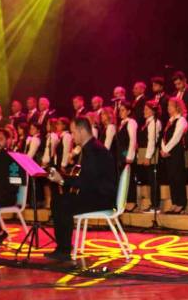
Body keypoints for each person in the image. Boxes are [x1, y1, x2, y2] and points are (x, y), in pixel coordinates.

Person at [46, 117, 117, 262]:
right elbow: (87, 179)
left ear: (82, 130)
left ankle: (64, 249)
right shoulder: (92, 147)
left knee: (62, 203)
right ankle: (63, 247)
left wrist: (62, 180)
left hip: (101, 199)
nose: (72, 136)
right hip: (99, 195)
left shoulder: (93, 150)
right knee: (60, 201)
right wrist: (63, 178)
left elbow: (86, 182)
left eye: (73, 132)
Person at [160, 97, 188, 214]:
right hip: (167, 152)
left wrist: (166, 149)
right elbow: (164, 136)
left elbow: (176, 137)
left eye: (170, 106)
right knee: (171, 178)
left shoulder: (181, 120)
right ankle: (174, 202)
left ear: (177, 107)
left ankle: (181, 203)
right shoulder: (170, 120)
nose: (168, 108)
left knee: (178, 177)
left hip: (176, 152)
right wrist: (162, 148)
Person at [138, 100, 162, 213]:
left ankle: (156, 205)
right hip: (146, 153)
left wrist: (147, 157)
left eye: (147, 109)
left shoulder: (154, 122)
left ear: (153, 111)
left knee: (154, 180)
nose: (144, 111)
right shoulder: (148, 122)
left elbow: (152, 141)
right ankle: (153, 203)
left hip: (152, 155)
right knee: (150, 180)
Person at [116, 101, 138, 211]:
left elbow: (132, 140)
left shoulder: (131, 122)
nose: (120, 112)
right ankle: (124, 200)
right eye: (120, 110)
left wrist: (130, 156)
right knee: (122, 179)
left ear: (129, 111)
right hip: (121, 155)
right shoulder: (121, 123)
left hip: (127, 155)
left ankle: (132, 201)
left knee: (129, 178)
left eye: (123, 110)